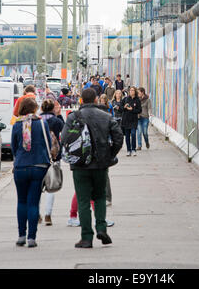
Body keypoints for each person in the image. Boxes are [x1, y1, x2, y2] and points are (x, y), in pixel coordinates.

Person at [61, 88, 123, 248]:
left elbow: (65, 138)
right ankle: (101, 228)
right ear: (96, 100)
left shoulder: (73, 117)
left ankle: (86, 237)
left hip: (80, 165)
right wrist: (110, 154)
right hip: (101, 164)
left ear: (81, 100)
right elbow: (118, 137)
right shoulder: (106, 116)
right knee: (100, 197)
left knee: (83, 200)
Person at [11, 97, 52, 248]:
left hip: (21, 166)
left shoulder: (17, 125)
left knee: (21, 201)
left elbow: (14, 148)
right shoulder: (42, 123)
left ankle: (21, 235)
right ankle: (31, 238)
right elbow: (48, 141)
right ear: (35, 109)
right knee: (33, 202)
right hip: (39, 166)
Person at [40, 98, 64, 226]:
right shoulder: (56, 121)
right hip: (54, 157)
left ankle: (36, 213)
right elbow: (64, 131)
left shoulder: (37, 120)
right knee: (51, 186)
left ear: (42, 108)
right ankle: (48, 215)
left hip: (39, 157)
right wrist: (59, 115)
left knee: (37, 187)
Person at [121, 86, 142, 156]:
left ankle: (133, 149)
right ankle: (128, 150)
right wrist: (124, 107)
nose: (131, 92)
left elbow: (139, 110)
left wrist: (132, 109)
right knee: (127, 136)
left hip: (134, 120)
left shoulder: (137, 100)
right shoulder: (126, 99)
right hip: (126, 120)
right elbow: (121, 109)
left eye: (132, 90)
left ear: (135, 91)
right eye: (130, 90)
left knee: (133, 134)